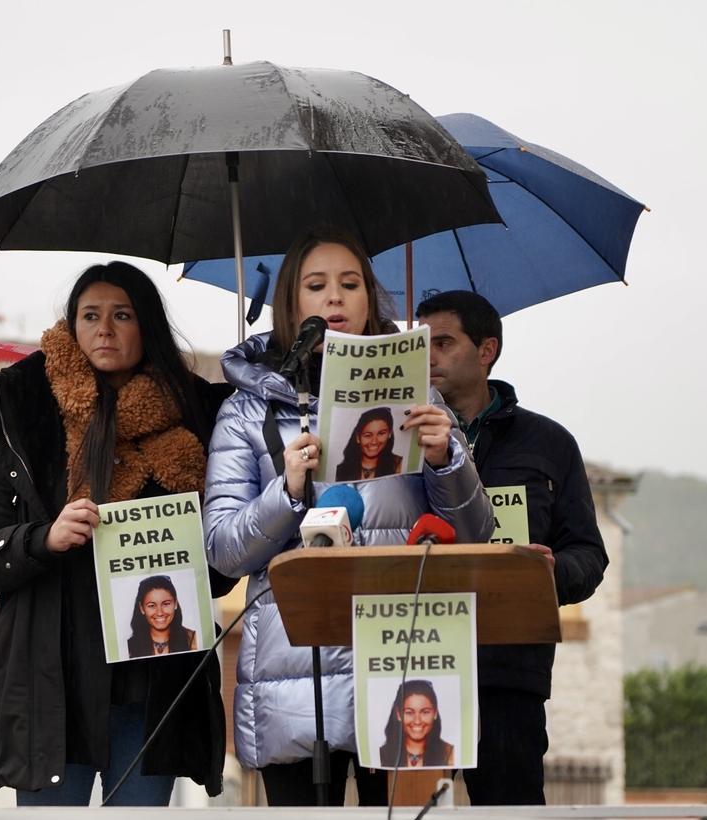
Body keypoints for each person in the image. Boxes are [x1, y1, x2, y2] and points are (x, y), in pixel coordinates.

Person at [203, 225, 493, 807]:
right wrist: (284, 491)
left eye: (350, 283)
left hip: (403, 658)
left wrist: (446, 459)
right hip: (292, 672)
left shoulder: (423, 400)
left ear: (370, 299)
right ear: (293, 304)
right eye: (316, 285)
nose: (334, 298)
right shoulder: (245, 411)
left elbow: (475, 533)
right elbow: (224, 552)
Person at [0, 261, 235, 806]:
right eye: (90, 316)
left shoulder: (202, 417)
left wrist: (200, 548)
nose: (104, 329)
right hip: (49, 689)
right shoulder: (20, 413)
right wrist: (43, 538)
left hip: (154, 687)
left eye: (122, 315)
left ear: (146, 325)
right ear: (72, 328)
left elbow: (221, 574)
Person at [416, 291, 608, 805]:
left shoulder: (549, 444)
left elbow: (589, 554)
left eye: (444, 342)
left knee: (510, 811)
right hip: (412, 660)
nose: (428, 355)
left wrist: (551, 573)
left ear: (487, 351)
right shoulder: (391, 439)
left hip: (507, 671)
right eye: (419, 343)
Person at [378, 680, 455, 768]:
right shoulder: (382, 755)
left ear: (435, 713)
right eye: (409, 712)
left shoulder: (450, 754)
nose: (417, 721)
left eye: (425, 712)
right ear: (398, 714)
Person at [126, 575, 198, 658]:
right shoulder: (129, 647)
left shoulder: (193, 640)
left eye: (166, 604)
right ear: (142, 608)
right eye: (151, 605)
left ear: (175, 604)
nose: (160, 612)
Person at [335, 407, 402, 480]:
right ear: (358, 437)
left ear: (389, 434)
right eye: (368, 435)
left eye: (381, 433)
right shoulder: (340, 470)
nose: (374, 441)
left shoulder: (399, 465)